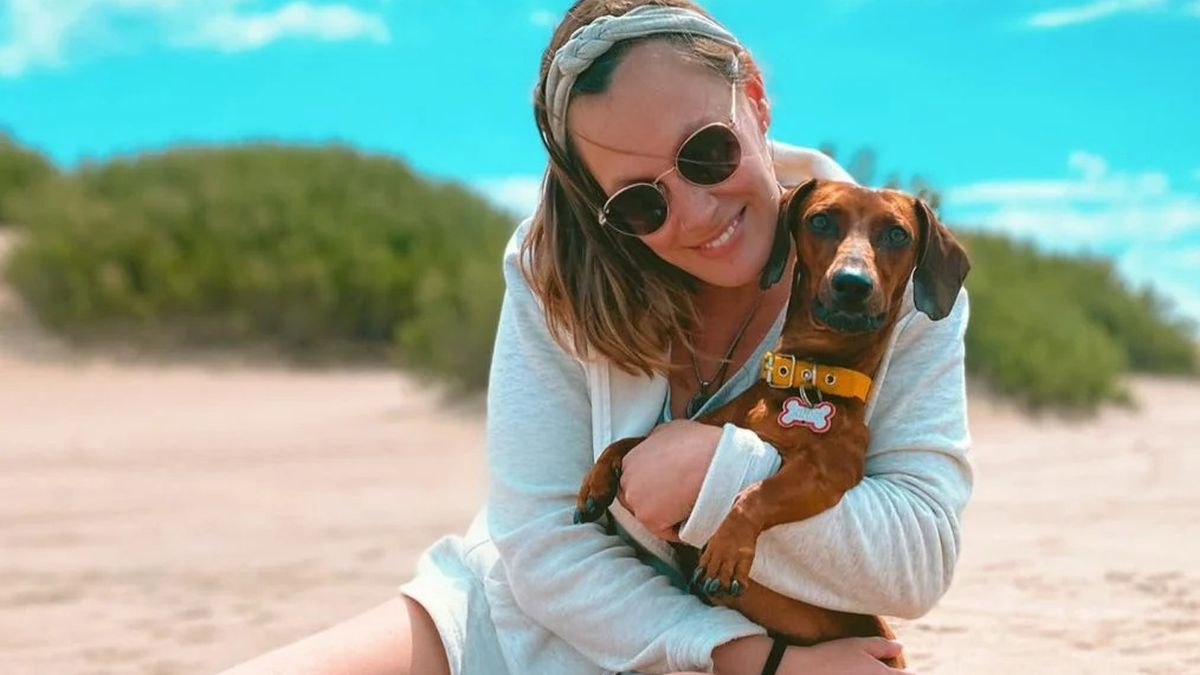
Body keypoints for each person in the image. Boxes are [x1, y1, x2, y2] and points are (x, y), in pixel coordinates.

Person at [219, 1, 971, 674]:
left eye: (706, 152)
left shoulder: (894, 272)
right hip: (537, 626)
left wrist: (716, 471)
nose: (697, 212)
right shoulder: (554, 269)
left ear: (754, 99)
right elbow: (542, 544)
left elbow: (917, 561)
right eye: (642, 202)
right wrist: (751, 659)